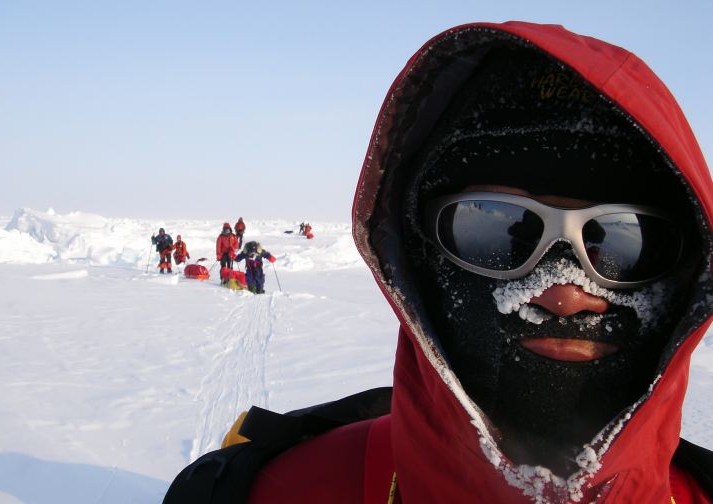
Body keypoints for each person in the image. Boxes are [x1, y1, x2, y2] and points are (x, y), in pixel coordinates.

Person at [164, 22, 713, 503]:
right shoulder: (265, 494)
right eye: (496, 227)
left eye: (624, 240)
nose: (563, 291)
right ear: (420, 257)